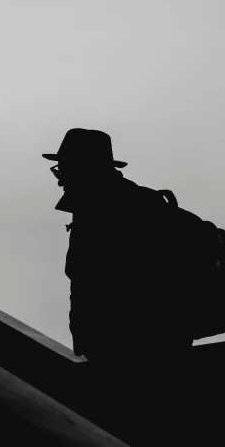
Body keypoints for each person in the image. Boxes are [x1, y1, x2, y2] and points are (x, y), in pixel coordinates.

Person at [43, 128, 194, 364]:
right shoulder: (136, 203)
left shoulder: (105, 212)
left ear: (82, 167)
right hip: (154, 348)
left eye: (64, 168)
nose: (60, 178)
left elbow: (102, 284)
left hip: (129, 355)